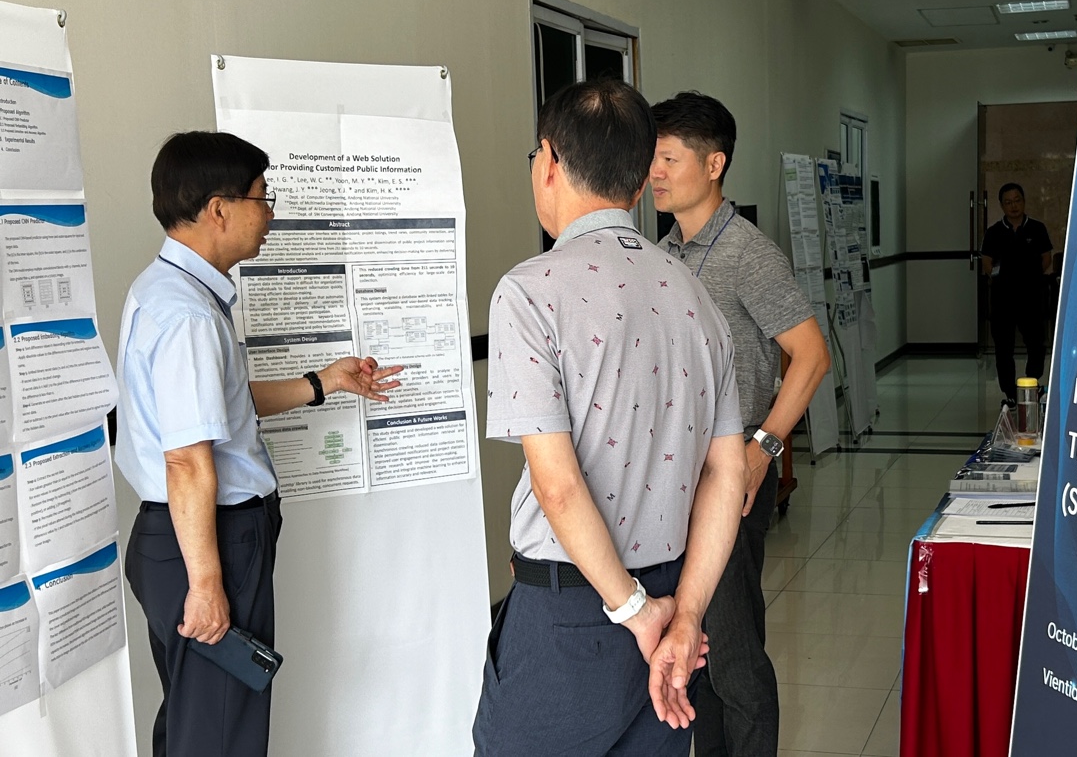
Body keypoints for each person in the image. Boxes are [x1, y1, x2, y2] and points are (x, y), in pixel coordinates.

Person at [473, 79, 748, 756]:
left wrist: (633, 611)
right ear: (640, 180)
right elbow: (727, 474)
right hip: (672, 611)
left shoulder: (529, 292)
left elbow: (558, 486)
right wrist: (684, 616)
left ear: (549, 161)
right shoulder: (696, 296)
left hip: (574, 614)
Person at [116, 131, 402, 757]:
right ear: (219, 210)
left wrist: (323, 383)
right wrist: (207, 583)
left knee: (196, 727)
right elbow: (186, 462)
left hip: (179, 537)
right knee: (222, 738)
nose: (269, 214)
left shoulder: (164, 290)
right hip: (208, 541)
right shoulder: (189, 316)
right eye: (261, 198)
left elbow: (217, 405)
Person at [652, 91, 832, 756]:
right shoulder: (664, 252)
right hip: (678, 480)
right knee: (695, 655)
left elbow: (812, 356)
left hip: (729, 478)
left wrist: (762, 449)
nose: (654, 173)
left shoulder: (747, 253)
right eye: (651, 159)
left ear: (714, 164)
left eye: (669, 158)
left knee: (733, 658)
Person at [980, 182, 1053, 403]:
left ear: (1024, 201)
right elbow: (987, 262)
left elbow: (1046, 257)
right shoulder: (994, 232)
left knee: (1036, 344)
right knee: (1003, 348)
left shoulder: (1037, 228)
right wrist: (1000, 279)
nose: (1013, 206)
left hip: (1031, 297)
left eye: (1017, 200)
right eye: (1008, 202)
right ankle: (1010, 394)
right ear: (1002, 205)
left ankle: (1031, 384)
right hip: (1003, 299)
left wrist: (1031, 278)